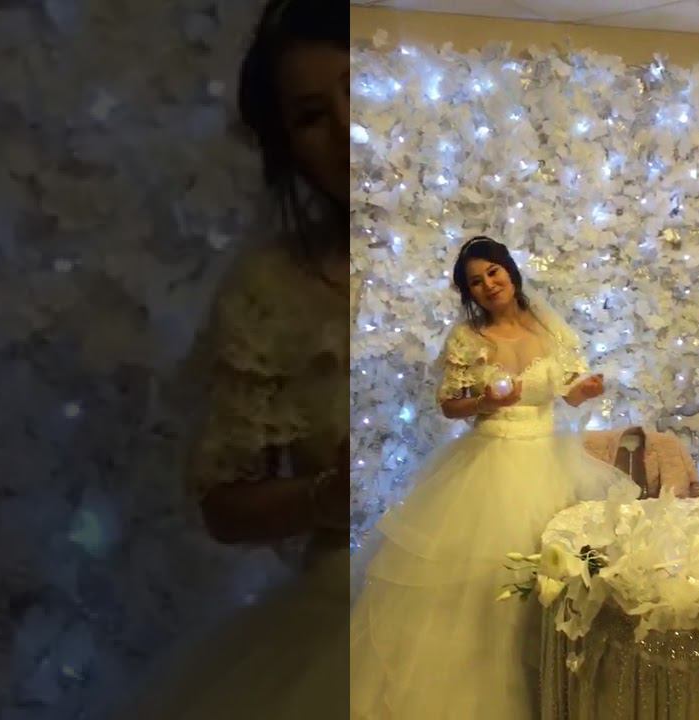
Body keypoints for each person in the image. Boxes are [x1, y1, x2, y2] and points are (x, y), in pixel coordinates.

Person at [110, 1, 349, 717]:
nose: (346, 128)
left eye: (360, 88)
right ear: (288, 148)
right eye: (311, 116)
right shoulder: (274, 289)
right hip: (348, 620)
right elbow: (224, 503)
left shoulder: (505, 254)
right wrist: (325, 497)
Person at [349, 236, 638, 718]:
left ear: (510, 271)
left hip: (548, 459)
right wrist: (486, 401)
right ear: (469, 293)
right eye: (475, 282)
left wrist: (586, 390)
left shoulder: (550, 326)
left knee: (554, 574)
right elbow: (449, 404)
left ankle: (556, 689)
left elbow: (569, 391)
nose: (488, 285)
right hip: (489, 461)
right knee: (483, 583)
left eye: (493, 273)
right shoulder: (468, 339)